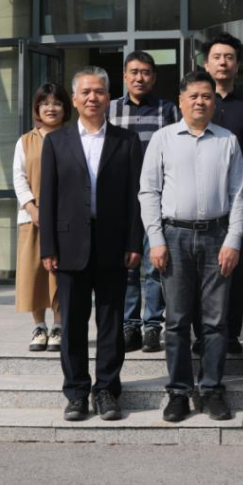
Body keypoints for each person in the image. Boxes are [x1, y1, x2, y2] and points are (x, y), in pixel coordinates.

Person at [139, 70, 243, 422]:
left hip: (217, 236)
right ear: (181, 101)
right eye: (194, 96)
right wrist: (156, 239)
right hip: (175, 237)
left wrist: (233, 240)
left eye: (207, 96)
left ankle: (212, 389)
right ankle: (179, 392)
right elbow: (148, 192)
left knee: (215, 322)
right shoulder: (163, 139)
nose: (200, 101)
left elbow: (239, 195)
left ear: (214, 102)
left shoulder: (228, 140)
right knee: (176, 321)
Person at [40, 66, 144, 422]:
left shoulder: (127, 141)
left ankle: (107, 390)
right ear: (74, 99)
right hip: (69, 245)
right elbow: (48, 198)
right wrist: (48, 247)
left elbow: (135, 198)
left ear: (108, 97)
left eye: (99, 91)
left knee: (112, 321)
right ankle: (76, 393)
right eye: (85, 92)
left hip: (114, 243)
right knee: (72, 323)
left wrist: (135, 241)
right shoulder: (56, 142)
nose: (92, 97)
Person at [108, 50, 178, 355]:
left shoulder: (167, 110)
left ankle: (152, 326)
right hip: (119, 201)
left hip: (156, 200)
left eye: (146, 72)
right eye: (134, 72)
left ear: (154, 77)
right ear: (125, 76)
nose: (140, 78)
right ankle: (129, 325)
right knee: (125, 267)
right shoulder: (110, 109)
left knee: (153, 267)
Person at [201, 33, 243, 355]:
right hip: (201, 200)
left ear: (237, 65)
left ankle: (231, 333)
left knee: (234, 270)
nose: (223, 63)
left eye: (229, 57)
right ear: (206, 63)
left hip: (238, 199)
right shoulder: (195, 102)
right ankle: (202, 333)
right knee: (201, 271)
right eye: (217, 57)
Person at [13, 83, 72, 353]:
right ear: (37, 108)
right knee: (33, 274)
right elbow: (19, 178)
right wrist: (32, 209)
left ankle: (59, 325)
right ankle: (39, 326)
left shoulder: (73, 137)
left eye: (56, 103)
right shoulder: (25, 141)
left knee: (59, 274)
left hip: (64, 219)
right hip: (31, 219)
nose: (51, 108)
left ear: (65, 107)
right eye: (45, 103)